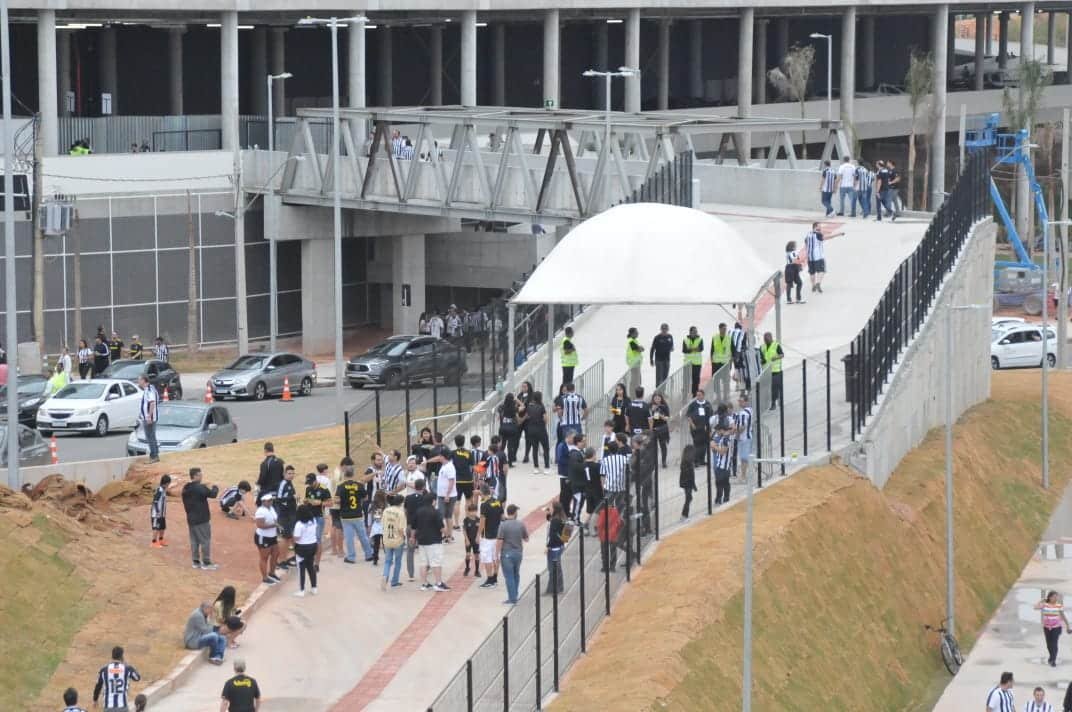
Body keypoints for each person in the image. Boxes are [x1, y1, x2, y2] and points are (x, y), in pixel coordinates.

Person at [336, 461, 374, 563]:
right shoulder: (359, 485)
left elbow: (337, 500)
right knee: (363, 536)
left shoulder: (341, 486)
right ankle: (369, 554)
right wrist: (358, 501)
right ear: (353, 474)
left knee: (349, 538)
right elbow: (366, 497)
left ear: (344, 474)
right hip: (357, 514)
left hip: (346, 516)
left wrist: (344, 501)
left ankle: (351, 557)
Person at [182, 467, 219, 570]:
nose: (202, 476)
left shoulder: (186, 488)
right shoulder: (199, 487)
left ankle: (196, 561)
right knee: (205, 540)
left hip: (191, 519)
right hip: (201, 519)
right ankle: (206, 563)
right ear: (195, 476)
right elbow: (213, 494)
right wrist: (215, 487)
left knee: (194, 541)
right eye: (200, 475)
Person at [414, 493, 450, 591]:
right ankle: (438, 583)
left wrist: (413, 538)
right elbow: (441, 527)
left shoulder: (419, 511)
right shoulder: (435, 512)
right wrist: (447, 534)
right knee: (436, 562)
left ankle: (424, 584)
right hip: (434, 541)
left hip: (421, 541)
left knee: (423, 563)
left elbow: (414, 527)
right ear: (433, 501)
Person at [497, 503, 529, 605]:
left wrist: (496, 554)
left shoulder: (503, 525)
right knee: (516, 574)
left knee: (509, 576)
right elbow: (526, 538)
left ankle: (512, 598)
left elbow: (500, 541)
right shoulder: (520, 524)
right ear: (515, 513)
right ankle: (515, 595)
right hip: (518, 553)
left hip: (506, 554)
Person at [804, 222, 845, 294]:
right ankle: (818, 283)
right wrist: (838, 234)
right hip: (818, 256)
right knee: (822, 271)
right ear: (815, 227)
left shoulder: (808, 234)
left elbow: (806, 243)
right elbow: (828, 237)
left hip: (810, 257)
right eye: (819, 226)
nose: (821, 228)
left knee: (812, 272)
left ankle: (813, 285)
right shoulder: (818, 234)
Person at [1035, 590, 1072, 667]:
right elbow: (1035, 607)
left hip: (1056, 627)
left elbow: (1063, 616)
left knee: (1054, 643)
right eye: (1054, 597)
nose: (1056, 598)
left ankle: (1053, 660)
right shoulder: (1045, 605)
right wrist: (1042, 600)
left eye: (1056, 597)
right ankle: (1051, 658)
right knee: (1049, 645)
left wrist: (1068, 626)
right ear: (1050, 597)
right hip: (1046, 628)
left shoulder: (1059, 606)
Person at [303, 473, 331, 567]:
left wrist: (320, 503)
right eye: (308, 483)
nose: (310, 485)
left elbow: (330, 503)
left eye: (311, 482)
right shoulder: (308, 489)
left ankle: (317, 563)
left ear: (315, 480)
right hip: (309, 517)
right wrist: (306, 502)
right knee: (308, 538)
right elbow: (306, 499)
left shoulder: (324, 489)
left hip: (319, 517)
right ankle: (310, 559)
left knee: (317, 539)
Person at [291, 504, 320, 596]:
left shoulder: (299, 524)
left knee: (301, 569)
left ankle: (301, 590)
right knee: (311, 567)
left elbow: (296, 538)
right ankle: (314, 588)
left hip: (302, 548)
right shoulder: (313, 521)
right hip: (313, 546)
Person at [479, 485, 504, 588]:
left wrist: (478, 535)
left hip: (487, 536)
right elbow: (502, 517)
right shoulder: (497, 501)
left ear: (482, 493)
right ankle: (495, 578)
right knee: (496, 556)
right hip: (497, 535)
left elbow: (482, 521)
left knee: (487, 557)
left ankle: (489, 580)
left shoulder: (484, 505)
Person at [253, 492, 281, 585]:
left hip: (272, 536)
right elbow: (259, 525)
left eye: (271, 500)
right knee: (264, 557)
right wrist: (273, 525)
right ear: (263, 502)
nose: (271, 502)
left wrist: (277, 527)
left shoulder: (271, 508)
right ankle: (265, 577)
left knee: (276, 554)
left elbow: (275, 519)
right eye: (268, 501)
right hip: (263, 537)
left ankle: (272, 573)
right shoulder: (260, 511)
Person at [381, 493, 406, 589]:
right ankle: (394, 581)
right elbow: (400, 529)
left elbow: (382, 524)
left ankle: (385, 575)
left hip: (387, 538)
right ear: (401, 503)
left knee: (387, 561)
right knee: (398, 561)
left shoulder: (386, 510)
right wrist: (403, 537)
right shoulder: (400, 513)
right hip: (397, 540)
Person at [274, 466, 298, 569]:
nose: (291, 475)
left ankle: (285, 559)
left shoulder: (289, 483)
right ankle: (280, 561)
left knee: (288, 537)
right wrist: (292, 497)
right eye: (289, 473)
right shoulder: (283, 483)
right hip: (284, 515)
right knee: (284, 538)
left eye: (293, 473)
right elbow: (278, 499)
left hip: (290, 514)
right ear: (284, 474)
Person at [403, 478, 427, 581]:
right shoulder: (425, 499)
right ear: (424, 487)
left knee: (410, 550)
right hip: (422, 527)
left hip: (410, 525)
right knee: (425, 549)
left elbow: (405, 510)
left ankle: (411, 574)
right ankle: (426, 568)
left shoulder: (408, 498)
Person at [523, 391, 550, 473]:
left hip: (531, 430)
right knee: (546, 448)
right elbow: (545, 419)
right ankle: (546, 467)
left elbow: (527, 416)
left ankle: (536, 467)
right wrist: (543, 423)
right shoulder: (541, 407)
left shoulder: (529, 406)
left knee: (535, 448)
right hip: (541, 430)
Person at [545, 502, 567, 595]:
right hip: (560, 546)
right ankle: (559, 587)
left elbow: (553, 535)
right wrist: (548, 514)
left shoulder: (555, 521)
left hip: (554, 548)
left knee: (552, 569)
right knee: (558, 568)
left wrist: (548, 547)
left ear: (555, 509)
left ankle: (552, 589)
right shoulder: (562, 518)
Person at [686, 390, 713, 466]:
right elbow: (688, 415)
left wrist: (708, 425)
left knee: (704, 445)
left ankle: (702, 460)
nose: (698, 397)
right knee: (697, 444)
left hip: (705, 427)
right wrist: (692, 424)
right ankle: (696, 460)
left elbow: (711, 415)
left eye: (700, 395)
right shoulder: (693, 404)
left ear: (703, 395)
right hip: (695, 427)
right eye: (697, 395)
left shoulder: (707, 404)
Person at [136, 375, 159, 462]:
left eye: (139, 380)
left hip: (149, 418)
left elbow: (152, 403)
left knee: (150, 437)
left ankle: (154, 456)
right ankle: (155, 454)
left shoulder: (149, 390)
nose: (138, 382)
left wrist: (149, 416)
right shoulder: (148, 389)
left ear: (143, 380)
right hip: (147, 417)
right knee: (151, 436)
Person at [760, 332, 784, 412]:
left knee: (774, 388)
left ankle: (773, 403)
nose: (766, 340)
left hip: (776, 371)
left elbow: (782, 354)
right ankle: (767, 402)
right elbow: (761, 357)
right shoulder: (762, 347)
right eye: (765, 339)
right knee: (766, 388)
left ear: (771, 338)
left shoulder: (776, 345)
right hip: (766, 371)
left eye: (767, 339)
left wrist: (776, 357)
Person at [709, 322, 733, 403]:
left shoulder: (729, 338)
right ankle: (718, 397)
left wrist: (731, 363)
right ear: (719, 329)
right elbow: (712, 350)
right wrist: (712, 360)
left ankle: (726, 396)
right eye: (723, 329)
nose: (724, 330)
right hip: (716, 363)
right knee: (716, 382)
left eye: (725, 329)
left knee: (726, 381)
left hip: (725, 363)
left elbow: (733, 349)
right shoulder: (715, 338)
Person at [711, 421, 733, 505]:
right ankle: (725, 498)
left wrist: (714, 446)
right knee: (724, 483)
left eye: (717, 431)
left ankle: (719, 499)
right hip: (724, 465)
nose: (716, 433)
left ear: (721, 430)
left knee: (720, 483)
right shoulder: (725, 438)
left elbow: (722, 452)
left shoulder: (726, 439)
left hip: (722, 466)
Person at [734, 393, 754, 483]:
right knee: (745, 457)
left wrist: (737, 435)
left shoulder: (743, 413)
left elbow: (742, 426)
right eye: (739, 401)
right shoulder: (750, 410)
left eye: (741, 401)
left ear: (746, 402)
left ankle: (743, 476)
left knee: (744, 458)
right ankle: (744, 475)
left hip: (743, 438)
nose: (739, 403)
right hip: (748, 436)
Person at [498, 393, 521, 466]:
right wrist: (517, 400)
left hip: (503, 428)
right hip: (511, 428)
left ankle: (499, 461)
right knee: (510, 446)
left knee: (502, 445)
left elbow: (500, 414)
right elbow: (522, 407)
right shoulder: (514, 408)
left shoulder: (501, 407)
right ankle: (510, 463)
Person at [150, 473, 171, 548]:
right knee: (156, 528)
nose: (168, 485)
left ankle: (161, 540)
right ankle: (153, 542)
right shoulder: (159, 490)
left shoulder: (163, 490)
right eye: (168, 483)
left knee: (162, 527)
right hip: (156, 514)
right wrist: (158, 511)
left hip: (162, 514)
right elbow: (155, 502)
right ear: (165, 483)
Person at [682, 326, 704, 395]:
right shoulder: (685, 340)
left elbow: (700, 349)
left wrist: (690, 349)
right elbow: (684, 350)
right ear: (690, 332)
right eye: (694, 331)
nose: (695, 333)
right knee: (686, 380)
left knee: (696, 380)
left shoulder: (700, 339)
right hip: (687, 363)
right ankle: (685, 393)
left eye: (696, 331)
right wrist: (694, 349)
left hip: (697, 363)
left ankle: (694, 394)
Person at [784, 240, 805, 305]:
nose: (796, 246)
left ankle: (793, 299)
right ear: (792, 247)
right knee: (792, 284)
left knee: (798, 283)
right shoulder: (792, 253)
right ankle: (793, 299)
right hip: (791, 268)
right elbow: (794, 261)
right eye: (795, 245)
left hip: (791, 268)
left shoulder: (790, 253)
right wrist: (803, 259)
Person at [462, 501, 480, 577]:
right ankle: (467, 568)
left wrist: (478, 538)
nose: (473, 513)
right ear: (468, 512)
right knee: (468, 554)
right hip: (468, 540)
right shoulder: (466, 520)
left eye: (475, 511)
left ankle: (477, 570)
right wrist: (467, 540)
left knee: (477, 555)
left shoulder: (478, 519)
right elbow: (464, 530)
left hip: (476, 540)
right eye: (471, 511)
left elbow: (480, 530)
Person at [625, 327, 644, 393]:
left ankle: (634, 395)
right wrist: (641, 348)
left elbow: (639, 349)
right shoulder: (631, 341)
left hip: (636, 363)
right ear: (632, 333)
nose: (637, 333)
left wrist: (640, 348)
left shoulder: (633, 340)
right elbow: (639, 349)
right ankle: (633, 395)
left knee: (637, 380)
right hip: (634, 364)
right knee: (635, 381)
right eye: (636, 332)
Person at [680, 444, 697, 518]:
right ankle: (684, 514)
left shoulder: (689, 461)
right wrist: (693, 485)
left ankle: (685, 514)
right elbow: (689, 474)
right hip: (687, 483)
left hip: (688, 483)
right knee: (688, 498)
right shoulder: (686, 462)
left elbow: (692, 475)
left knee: (689, 498)